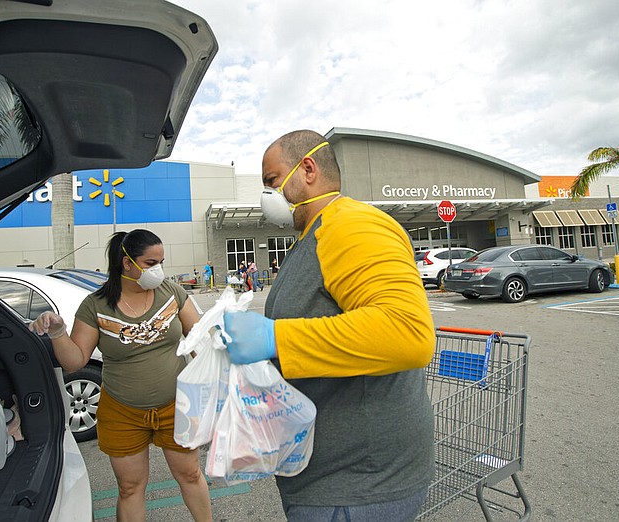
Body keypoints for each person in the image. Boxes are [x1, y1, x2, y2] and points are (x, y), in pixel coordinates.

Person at [222, 130, 436, 521]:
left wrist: (274, 338)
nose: (267, 194)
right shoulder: (312, 235)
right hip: (324, 477)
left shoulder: (351, 225)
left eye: (271, 181)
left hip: (357, 487)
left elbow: (407, 333)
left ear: (307, 169)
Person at [29, 229, 211, 522]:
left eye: (161, 261)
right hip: (122, 412)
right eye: (151, 263)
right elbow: (75, 361)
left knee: (190, 475)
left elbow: (202, 338)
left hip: (178, 406)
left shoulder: (172, 293)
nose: (159, 270)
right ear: (127, 263)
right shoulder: (96, 306)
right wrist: (58, 332)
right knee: (129, 487)